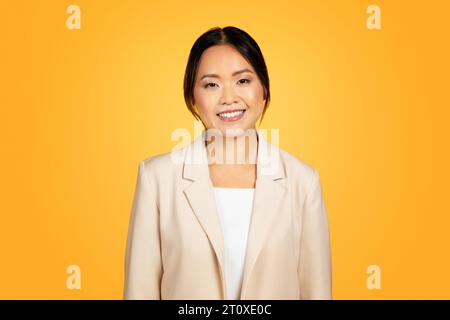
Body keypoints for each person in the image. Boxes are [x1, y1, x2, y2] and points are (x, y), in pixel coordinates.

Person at [123, 26, 332, 300]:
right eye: (211, 84)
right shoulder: (157, 179)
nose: (228, 98)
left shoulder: (303, 182)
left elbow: (316, 293)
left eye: (243, 81)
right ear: (192, 98)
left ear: (264, 89)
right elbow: (140, 292)